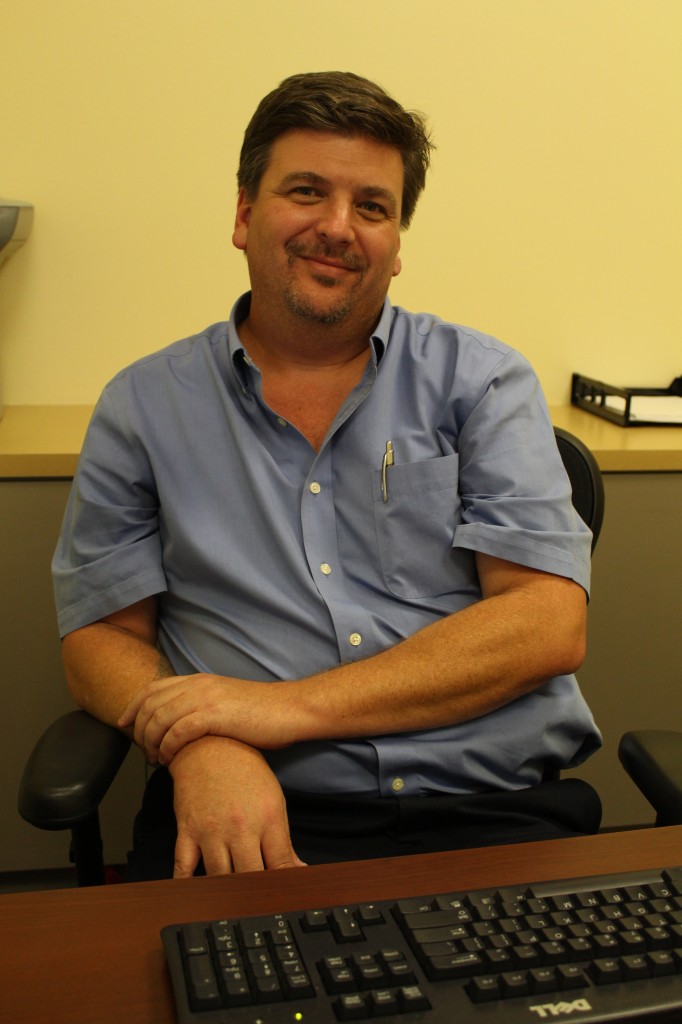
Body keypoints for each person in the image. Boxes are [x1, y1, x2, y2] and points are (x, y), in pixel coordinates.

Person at [52, 71, 601, 880]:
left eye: (372, 207)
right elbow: (102, 635)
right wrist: (204, 740)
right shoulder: (143, 406)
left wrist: (274, 709)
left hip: (490, 811)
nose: (338, 228)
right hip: (248, 812)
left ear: (397, 243)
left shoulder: (482, 382)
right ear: (244, 215)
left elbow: (548, 621)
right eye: (306, 191)